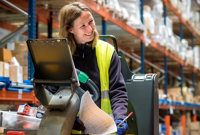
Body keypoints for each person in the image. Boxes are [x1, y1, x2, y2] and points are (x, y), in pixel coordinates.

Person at [50, 2, 128, 135]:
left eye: (91, 22)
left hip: (104, 130)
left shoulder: (107, 52)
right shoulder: (60, 56)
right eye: (83, 26)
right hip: (70, 130)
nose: (90, 29)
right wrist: (70, 120)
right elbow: (51, 95)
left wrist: (120, 118)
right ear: (70, 29)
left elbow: (118, 90)